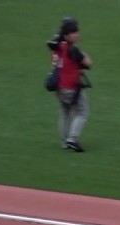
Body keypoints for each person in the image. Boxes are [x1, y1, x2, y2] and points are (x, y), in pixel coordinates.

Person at [47, 17, 92, 152]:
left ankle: (64, 141)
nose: (77, 34)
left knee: (64, 112)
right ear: (67, 35)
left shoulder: (58, 46)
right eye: (73, 32)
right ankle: (72, 138)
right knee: (82, 112)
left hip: (58, 87)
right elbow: (88, 63)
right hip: (71, 87)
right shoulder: (73, 51)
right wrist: (83, 54)